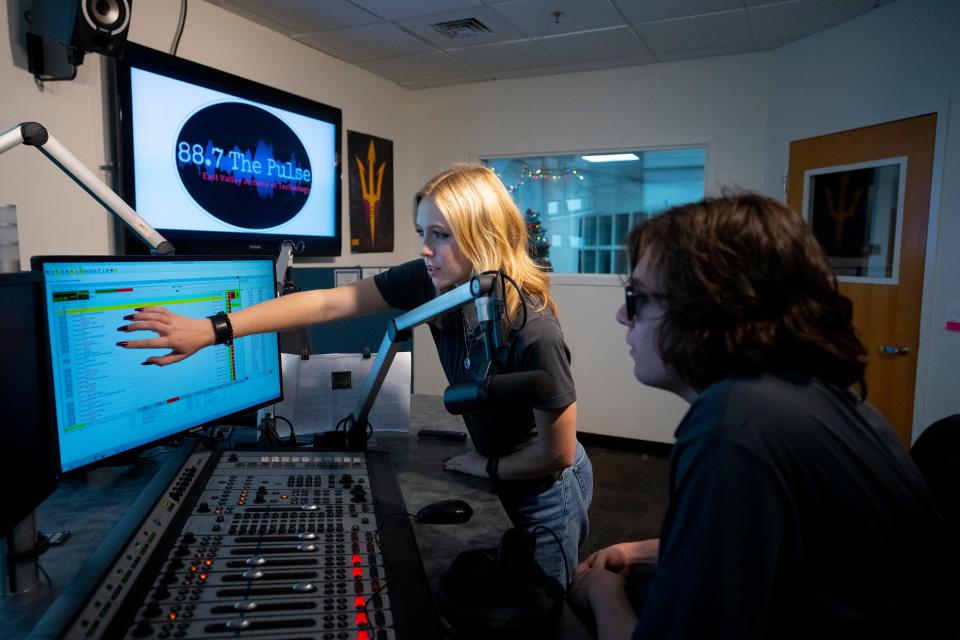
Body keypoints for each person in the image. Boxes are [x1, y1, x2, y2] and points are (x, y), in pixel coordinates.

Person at [118, 163, 593, 586]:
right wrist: (213, 329)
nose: (424, 250)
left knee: (541, 611)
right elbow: (326, 302)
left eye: (441, 235)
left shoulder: (533, 329)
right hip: (500, 463)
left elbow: (556, 452)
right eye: (421, 232)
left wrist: (487, 465)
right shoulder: (435, 281)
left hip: (544, 487)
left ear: (483, 237)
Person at [568, 193, 950, 639]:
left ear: (708, 306)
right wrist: (640, 552)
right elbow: (791, 550)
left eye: (636, 297)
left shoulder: (732, 426)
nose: (621, 315)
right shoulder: (805, 395)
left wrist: (600, 592)